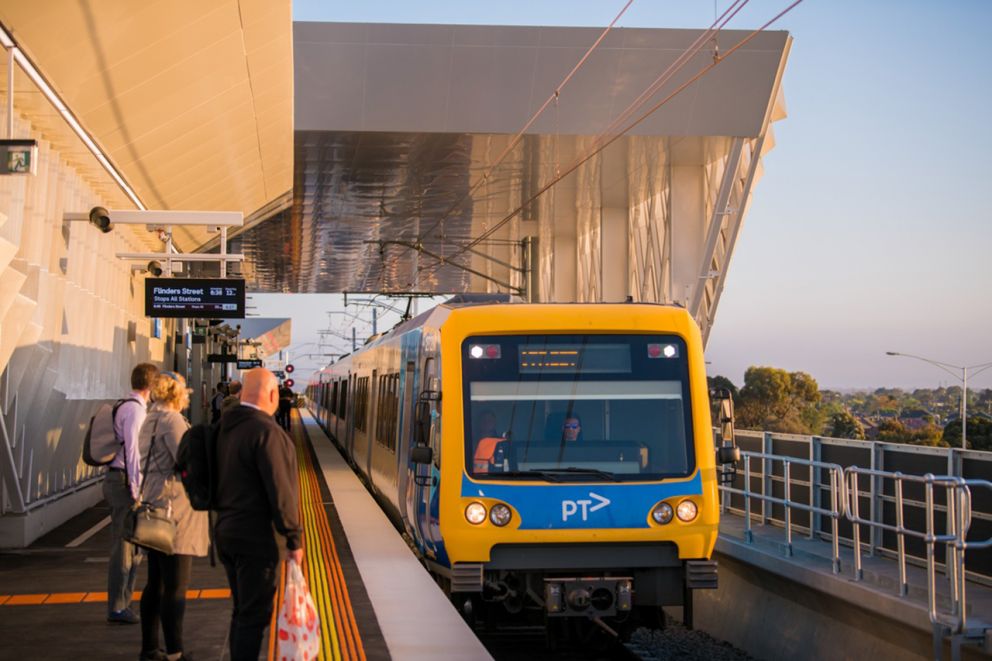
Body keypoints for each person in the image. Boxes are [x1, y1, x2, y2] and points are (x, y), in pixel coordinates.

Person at [215, 368, 303, 661]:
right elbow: (281, 492)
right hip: (256, 538)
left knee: (242, 611)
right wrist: (294, 539)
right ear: (273, 395)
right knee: (253, 616)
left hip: (226, 532)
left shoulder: (226, 428)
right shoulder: (267, 433)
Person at [137, 372, 209, 661]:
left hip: (152, 503)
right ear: (177, 394)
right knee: (176, 584)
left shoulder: (150, 419)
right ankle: (175, 653)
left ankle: (150, 648)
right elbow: (187, 458)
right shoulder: (172, 420)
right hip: (173, 508)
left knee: (156, 581)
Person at [104, 362, 159, 625]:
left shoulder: (126, 405)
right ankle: (118, 606)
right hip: (125, 483)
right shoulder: (135, 412)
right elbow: (133, 454)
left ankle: (124, 602)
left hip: (123, 481)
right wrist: (137, 491)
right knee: (125, 548)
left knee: (134, 546)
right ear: (152, 386)